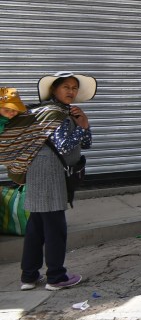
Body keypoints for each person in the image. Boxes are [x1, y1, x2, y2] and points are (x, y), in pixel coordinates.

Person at [19, 72, 96, 291]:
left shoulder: (61, 112)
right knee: (55, 228)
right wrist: (81, 127)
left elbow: (86, 143)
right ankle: (56, 277)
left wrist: (83, 124)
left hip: (38, 173)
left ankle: (29, 276)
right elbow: (63, 146)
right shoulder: (55, 113)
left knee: (36, 228)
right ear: (54, 89)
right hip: (50, 175)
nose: (71, 91)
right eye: (66, 87)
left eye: (74, 87)